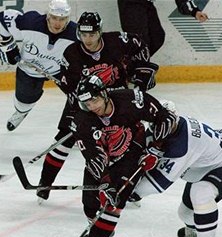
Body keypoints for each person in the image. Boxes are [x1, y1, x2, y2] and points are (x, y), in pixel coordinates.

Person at [36, 11, 159, 203]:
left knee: (127, 143)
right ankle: (45, 183)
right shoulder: (72, 54)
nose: (88, 39)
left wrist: (141, 69)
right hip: (85, 101)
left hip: (117, 102)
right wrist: (74, 98)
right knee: (63, 139)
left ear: (99, 32)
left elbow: (140, 44)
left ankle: (126, 189)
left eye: (92, 34)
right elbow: (70, 87)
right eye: (83, 35)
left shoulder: (118, 41)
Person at [71, 75, 177, 237]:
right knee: (90, 204)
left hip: (130, 154)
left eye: (94, 100)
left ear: (104, 93)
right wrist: (105, 183)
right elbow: (94, 158)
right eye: (86, 103)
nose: (92, 106)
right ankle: (99, 226)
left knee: (115, 201)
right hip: (102, 161)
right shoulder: (82, 121)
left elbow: (166, 117)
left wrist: (155, 148)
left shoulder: (132, 100)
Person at [132, 112, 222, 237]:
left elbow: (158, 183)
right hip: (204, 168)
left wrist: (130, 194)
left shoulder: (183, 144)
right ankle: (196, 227)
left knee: (200, 194)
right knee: (185, 214)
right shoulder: (166, 128)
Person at [0, 0, 77, 131]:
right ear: (48, 16)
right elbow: (4, 16)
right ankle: (21, 112)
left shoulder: (76, 34)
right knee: (23, 103)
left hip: (59, 70)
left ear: (68, 19)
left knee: (82, 95)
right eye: (54, 18)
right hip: (30, 69)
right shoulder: (30, 23)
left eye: (62, 19)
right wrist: (7, 41)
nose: (57, 23)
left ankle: (72, 130)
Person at [117, 0, 209, 56]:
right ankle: (124, 70)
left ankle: (131, 68)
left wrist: (194, 11)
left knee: (157, 38)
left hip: (147, 4)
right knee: (140, 41)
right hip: (131, 3)